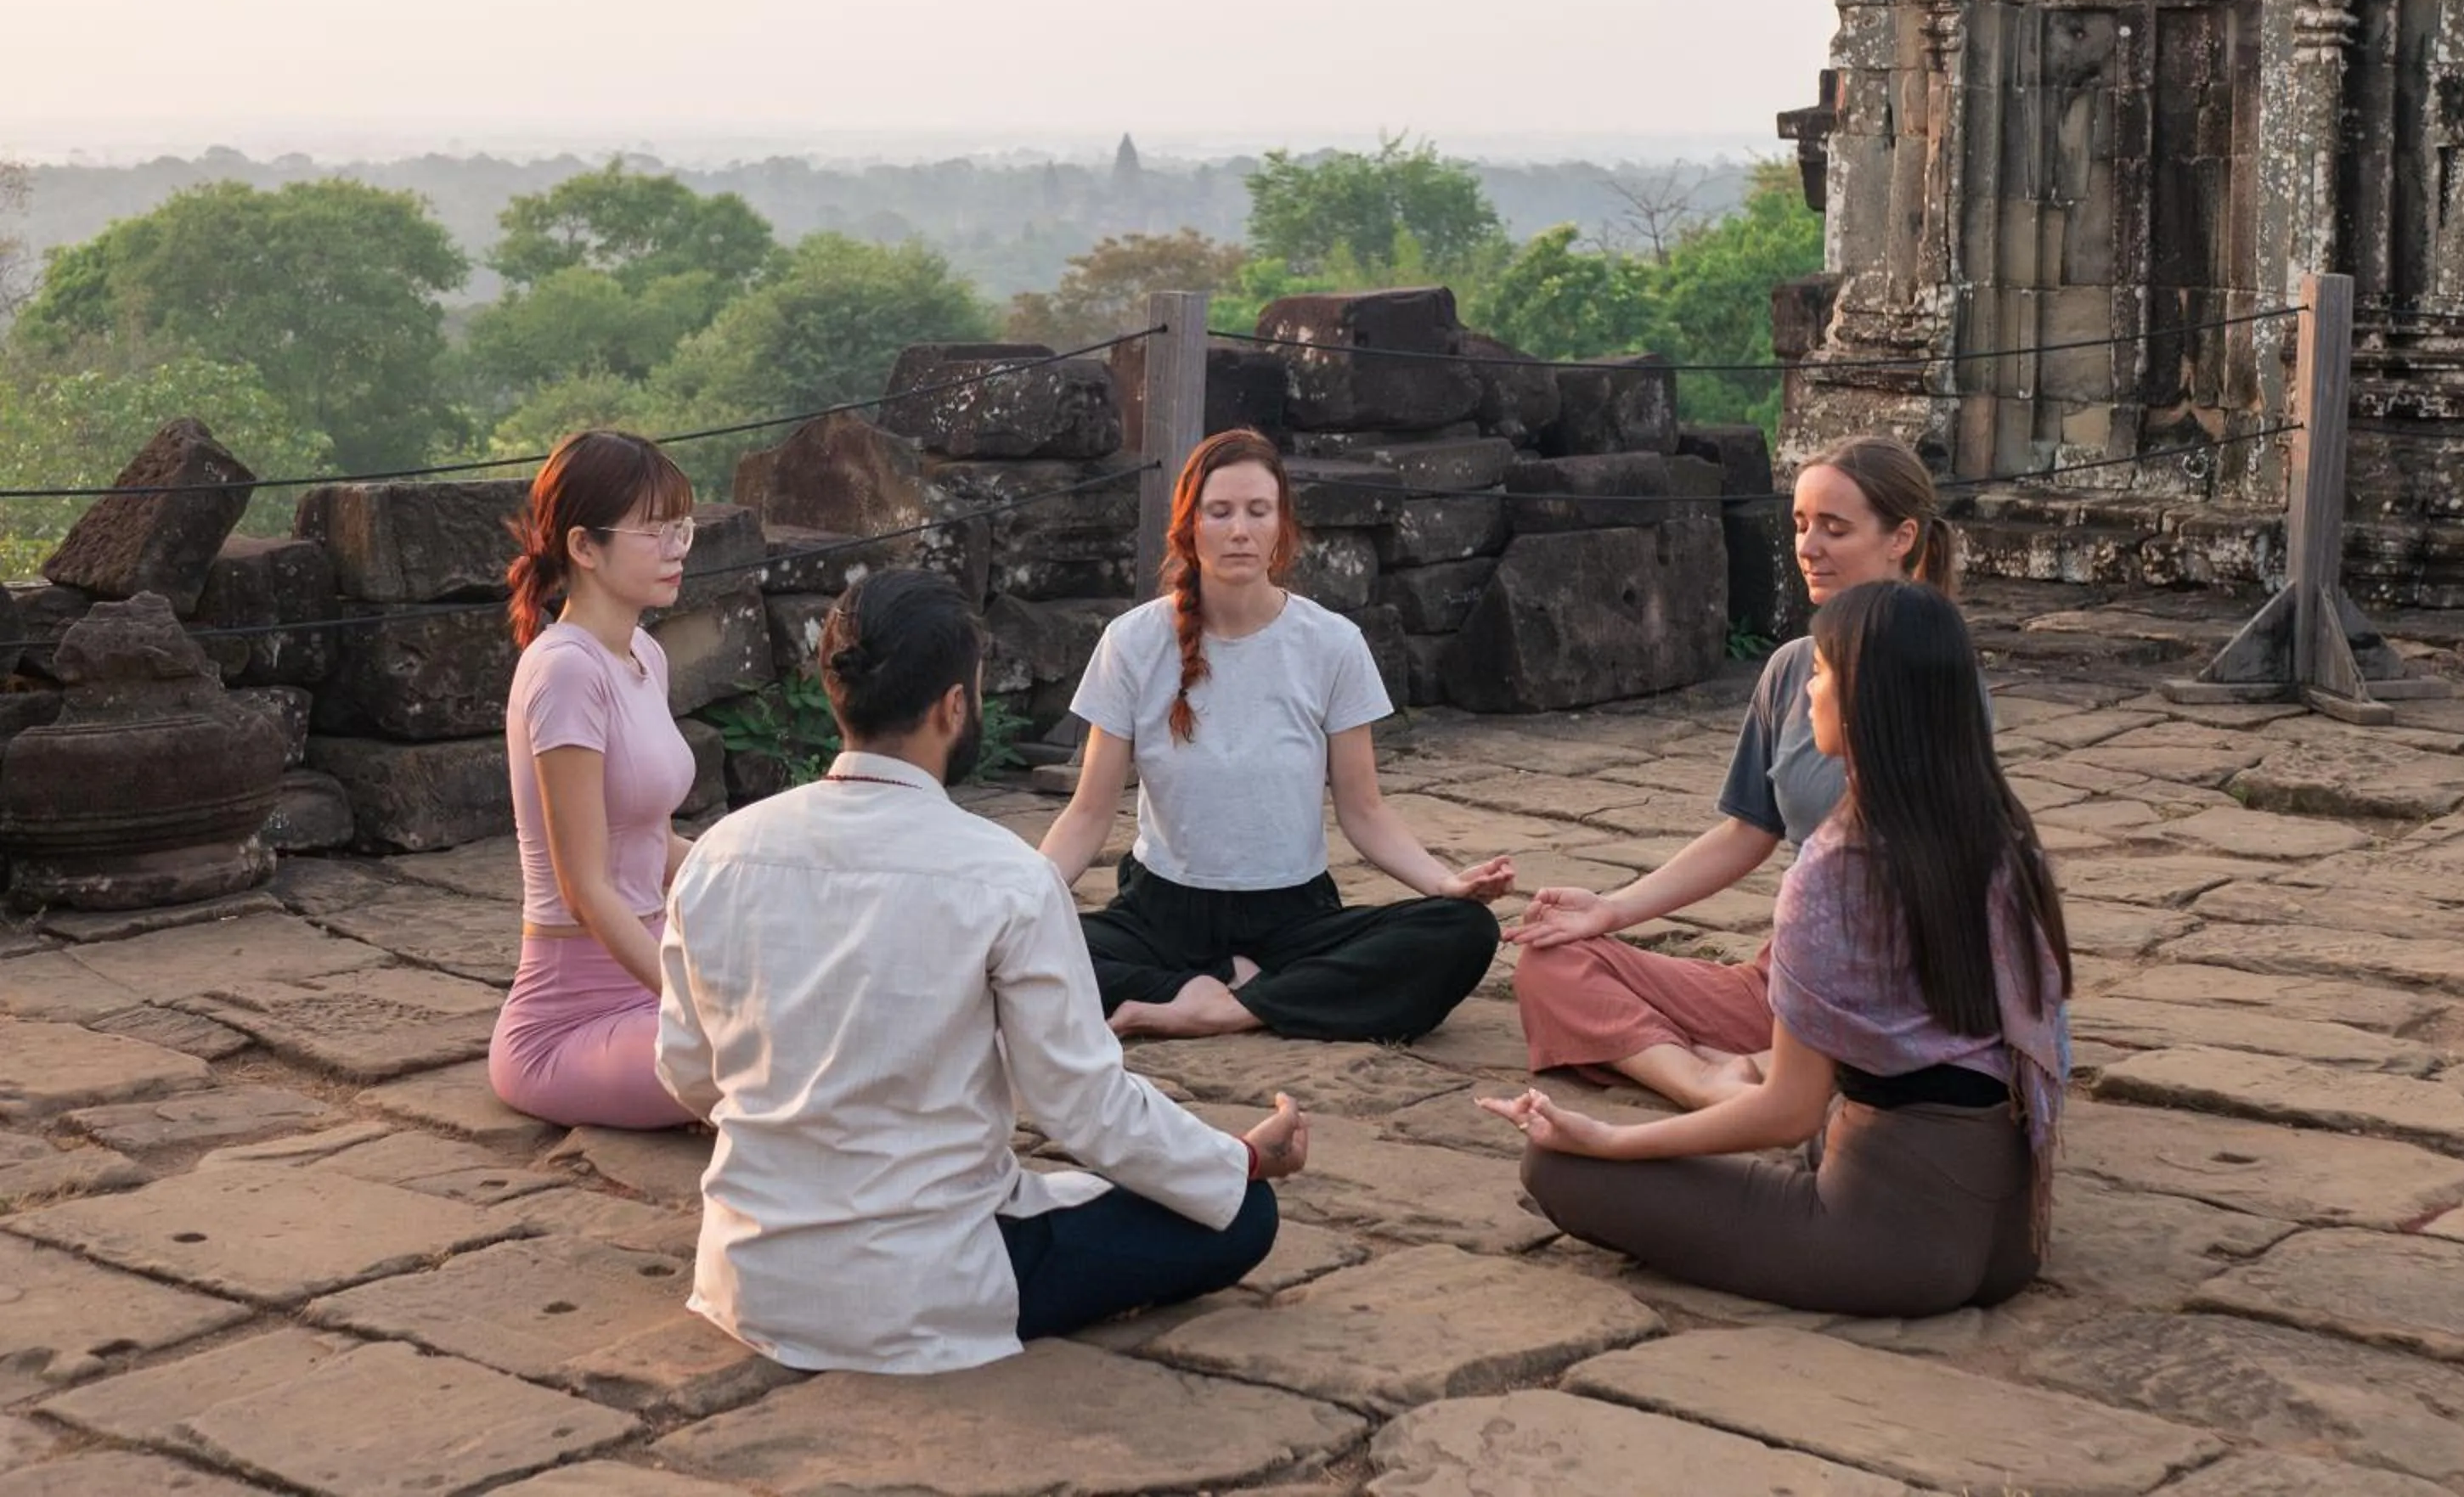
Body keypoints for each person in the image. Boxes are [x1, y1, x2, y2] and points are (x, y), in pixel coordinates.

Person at [657, 569, 1305, 1373]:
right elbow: (1083, 1106)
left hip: (748, 1273)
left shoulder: (720, 853)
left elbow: (689, 1072)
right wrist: (1237, 1159)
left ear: (838, 695)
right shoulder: (1005, 876)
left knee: (1085, 1192)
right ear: (953, 707)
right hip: (923, 1286)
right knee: (1242, 1215)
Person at [1480, 578, 2072, 1317]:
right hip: (2010, 1232)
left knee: (1557, 1166)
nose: (1808, 693)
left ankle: (1672, 1115)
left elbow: (1788, 1115)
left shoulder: (1835, 871)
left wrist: (1608, 1138)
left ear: (1865, 701)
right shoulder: (2002, 833)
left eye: (1821, 674)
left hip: (1889, 1242)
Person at [1506, 435, 1955, 1107]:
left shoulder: (1936, 673)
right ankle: (1707, 1081)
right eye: (1801, 525)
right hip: (1791, 973)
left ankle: (1774, 1075)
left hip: (1891, 981)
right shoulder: (1793, 667)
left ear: (1902, 538)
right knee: (1556, 962)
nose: (1809, 547)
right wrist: (1612, 909)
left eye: (1836, 528)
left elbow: (1946, 871)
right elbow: (1750, 830)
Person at [1040, 428, 1508, 1043]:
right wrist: (1019, 899)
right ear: (1190, 525)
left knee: (1465, 930)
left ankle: (1221, 1007)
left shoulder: (1331, 643)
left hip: (1295, 918)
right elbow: (1089, 812)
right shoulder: (1132, 642)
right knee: (1022, 955)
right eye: (1220, 512)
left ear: (1282, 526)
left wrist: (1446, 884)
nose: (1240, 530)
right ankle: (1251, 992)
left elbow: (1365, 812)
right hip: (1163, 916)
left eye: (1258, 512)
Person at [488, 429, 703, 1130]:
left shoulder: (641, 652)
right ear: (584, 546)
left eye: (682, 528)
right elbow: (584, 888)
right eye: (655, 531)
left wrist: (764, 883)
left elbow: (653, 842)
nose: (676, 548)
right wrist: (692, 1004)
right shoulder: (565, 671)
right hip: (568, 1024)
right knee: (770, 1060)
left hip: (651, 982)